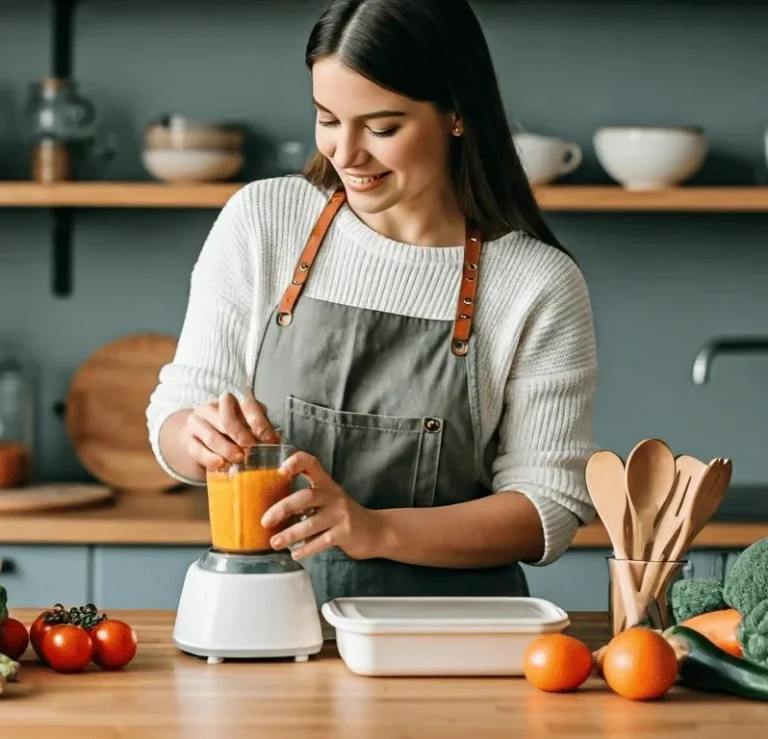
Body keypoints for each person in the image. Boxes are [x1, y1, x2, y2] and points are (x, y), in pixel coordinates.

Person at [146, 0, 598, 606]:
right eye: (327, 119)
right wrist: (195, 437)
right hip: (270, 619)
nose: (346, 154)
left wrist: (374, 529)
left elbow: (547, 508)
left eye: (382, 129)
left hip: (455, 633)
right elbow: (177, 411)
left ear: (457, 114)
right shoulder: (263, 221)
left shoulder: (535, 283)